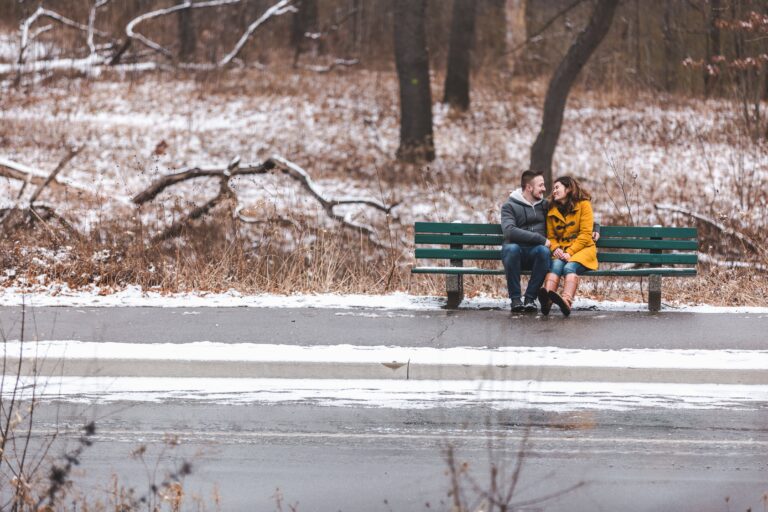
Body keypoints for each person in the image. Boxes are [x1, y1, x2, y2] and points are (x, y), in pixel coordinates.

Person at [538, 176, 598, 317]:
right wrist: (555, 248)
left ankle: (566, 301)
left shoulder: (584, 205)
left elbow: (585, 234)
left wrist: (570, 252)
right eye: (553, 188)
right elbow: (551, 236)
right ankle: (546, 299)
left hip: (583, 249)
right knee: (556, 266)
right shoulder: (552, 209)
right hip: (563, 250)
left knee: (569, 267)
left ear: (569, 188)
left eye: (557, 187)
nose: (554, 191)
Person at [500, 170, 551, 312]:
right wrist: (540, 239)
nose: (544, 189)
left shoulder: (545, 205)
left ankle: (530, 299)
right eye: (541, 185)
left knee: (544, 251)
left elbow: (572, 209)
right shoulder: (509, 206)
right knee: (512, 249)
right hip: (515, 253)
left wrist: (595, 226)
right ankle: (515, 299)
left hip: (536, 253)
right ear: (529, 187)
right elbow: (509, 230)